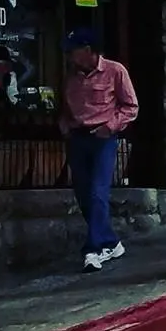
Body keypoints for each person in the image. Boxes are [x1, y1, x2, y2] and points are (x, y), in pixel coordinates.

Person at [58, 27, 138, 271]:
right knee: (83, 194)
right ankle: (110, 241)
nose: (69, 56)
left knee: (98, 192)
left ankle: (93, 249)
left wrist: (110, 127)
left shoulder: (115, 71)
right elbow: (66, 107)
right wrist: (65, 125)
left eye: (73, 51)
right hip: (78, 138)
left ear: (87, 50)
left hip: (103, 137)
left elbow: (131, 106)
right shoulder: (71, 78)